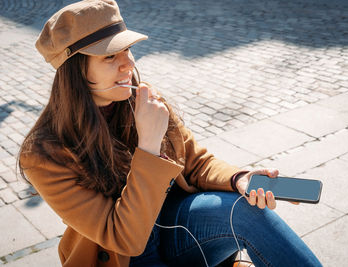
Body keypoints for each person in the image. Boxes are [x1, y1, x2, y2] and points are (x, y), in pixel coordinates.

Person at [18, 0, 323, 266]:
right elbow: (124, 240)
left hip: (178, 230)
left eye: (127, 50)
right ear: (75, 72)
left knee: (247, 211)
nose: (127, 65)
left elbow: (197, 162)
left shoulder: (145, 102)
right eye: (109, 57)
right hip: (125, 258)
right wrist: (148, 145)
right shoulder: (44, 155)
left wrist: (239, 178)